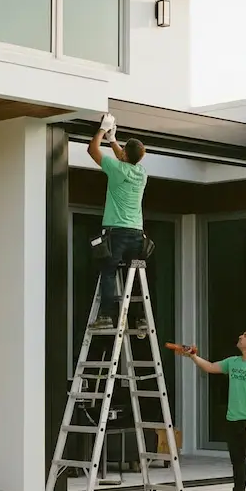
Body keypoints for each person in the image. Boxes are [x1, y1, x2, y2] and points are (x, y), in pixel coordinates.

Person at [180, 329, 246, 491]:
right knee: (237, 460)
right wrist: (193, 356)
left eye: (245, 336)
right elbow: (210, 367)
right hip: (233, 419)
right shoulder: (233, 362)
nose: (240, 336)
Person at [86, 113, 148, 330]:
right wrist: (113, 140)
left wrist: (102, 130)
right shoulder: (141, 172)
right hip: (137, 233)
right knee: (134, 273)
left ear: (124, 155)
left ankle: (105, 316)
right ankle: (141, 319)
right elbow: (125, 157)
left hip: (117, 232)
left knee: (109, 271)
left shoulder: (116, 168)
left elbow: (92, 150)